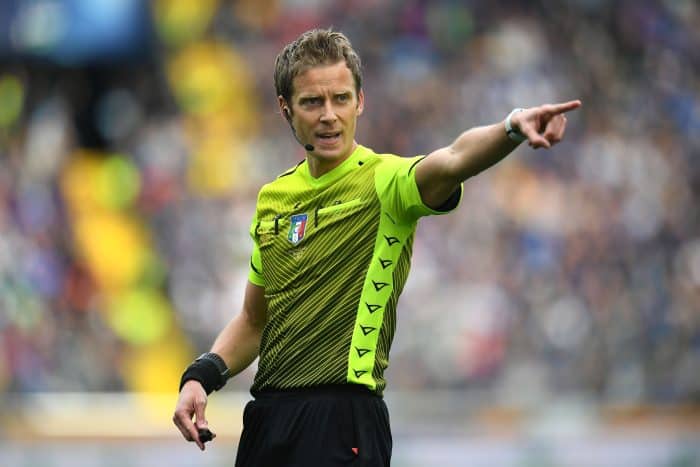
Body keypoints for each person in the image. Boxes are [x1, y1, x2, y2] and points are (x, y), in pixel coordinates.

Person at [172, 28, 581, 466]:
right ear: (285, 108)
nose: (329, 116)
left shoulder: (387, 181)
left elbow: (454, 159)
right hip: (267, 423)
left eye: (341, 99)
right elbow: (256, 319)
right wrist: (200, 377)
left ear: (360, 102)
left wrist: (511, 128)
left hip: (344, 420)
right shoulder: (273, 198)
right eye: (312, 102)